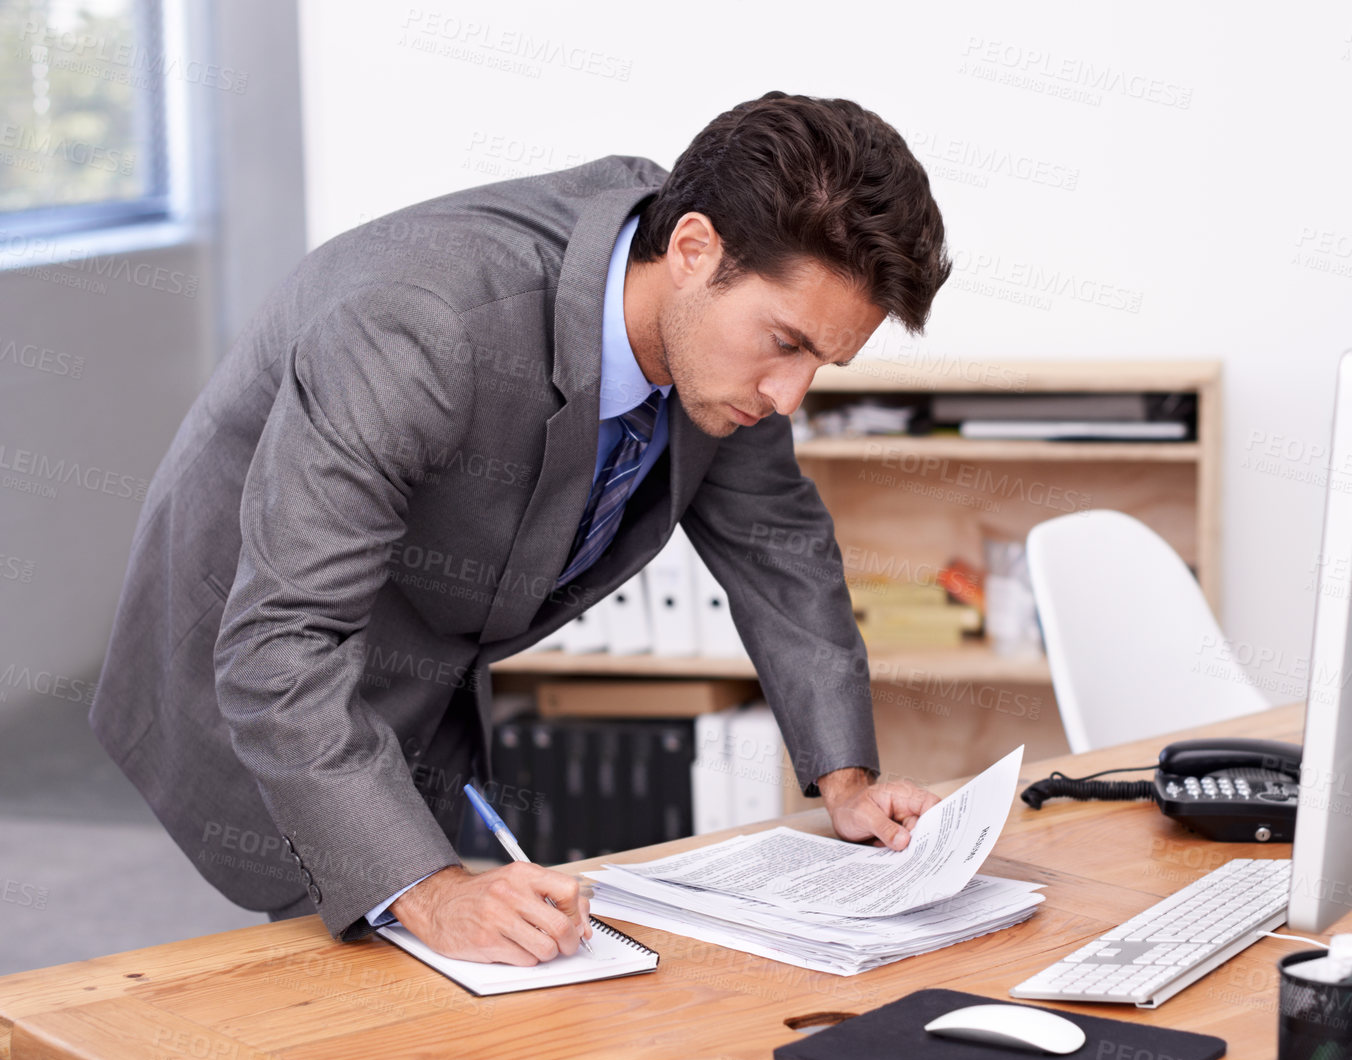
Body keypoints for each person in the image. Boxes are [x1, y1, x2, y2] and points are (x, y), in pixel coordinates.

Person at [89, 91, 953, 966]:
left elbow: (779, 549)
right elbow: (281, 642)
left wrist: (848, 783)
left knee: (428, 974)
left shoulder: (711, 336)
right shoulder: (417, 325)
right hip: (254, 647)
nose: (787, 398)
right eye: (786, 343)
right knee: (292, 985)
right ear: (693, 249)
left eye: (822, 363)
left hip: (420, 656)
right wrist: (426, 889)